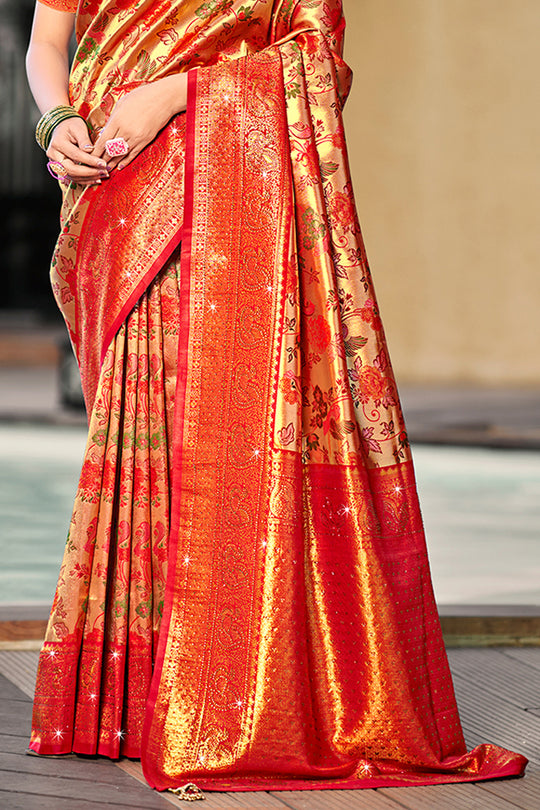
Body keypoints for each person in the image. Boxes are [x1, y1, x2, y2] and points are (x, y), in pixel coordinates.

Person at [26, 0, 527, 797]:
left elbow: (318, 62)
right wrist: (55, 122)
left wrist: (179, 93)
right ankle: (128, 701)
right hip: (116, 184)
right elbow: (47, 38)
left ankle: (221, 695)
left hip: (229, 198)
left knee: (225, 441)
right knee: (135, 436)